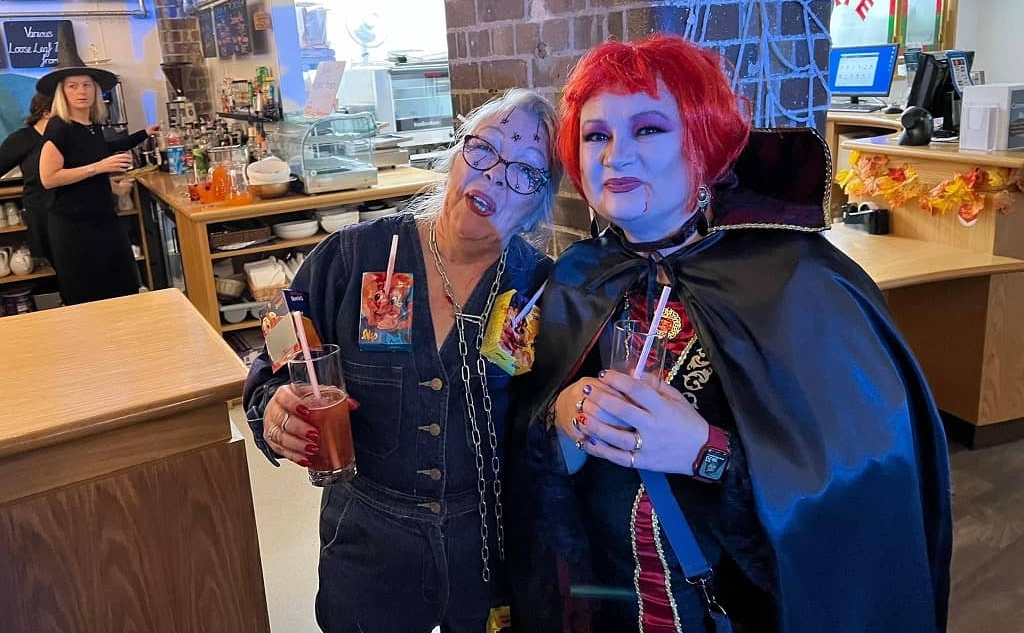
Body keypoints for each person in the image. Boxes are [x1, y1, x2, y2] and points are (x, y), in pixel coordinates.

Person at [505, 34, 952, 633]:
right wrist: (563, 417)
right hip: (610, 603)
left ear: (703, 141)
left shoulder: (796, 281)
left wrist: (706, 453)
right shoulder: (581, 274)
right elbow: (532, 465)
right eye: (596, 135)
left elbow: (867, 487)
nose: (615, 157)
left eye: (648, 129)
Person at [243, 88, 562, 633]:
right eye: (483, 149)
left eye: (525, 171)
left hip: (489, 549)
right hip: (367, 540)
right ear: (456, 153)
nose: (492, 175)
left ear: (539, 204)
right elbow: (276, 353)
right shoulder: (353, 257)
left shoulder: (539, 290)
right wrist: (274, 409)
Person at [37, 67, 156, 305]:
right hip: (74, 228)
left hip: (103, 219)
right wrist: (99, 167)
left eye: (87, 85)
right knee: (88, 299)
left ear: (96, 90)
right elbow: (48, 178)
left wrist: (111, 183)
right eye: (73, 86)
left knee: (124, 287)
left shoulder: (92, 126)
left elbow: (97, 155)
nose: (81, 91)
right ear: (62, 92)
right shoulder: (59, 127)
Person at [0, 93, 55, 262]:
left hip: (71, 212)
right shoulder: (22, 139)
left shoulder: (67, 136)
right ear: (46, 113)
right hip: (43, 213)